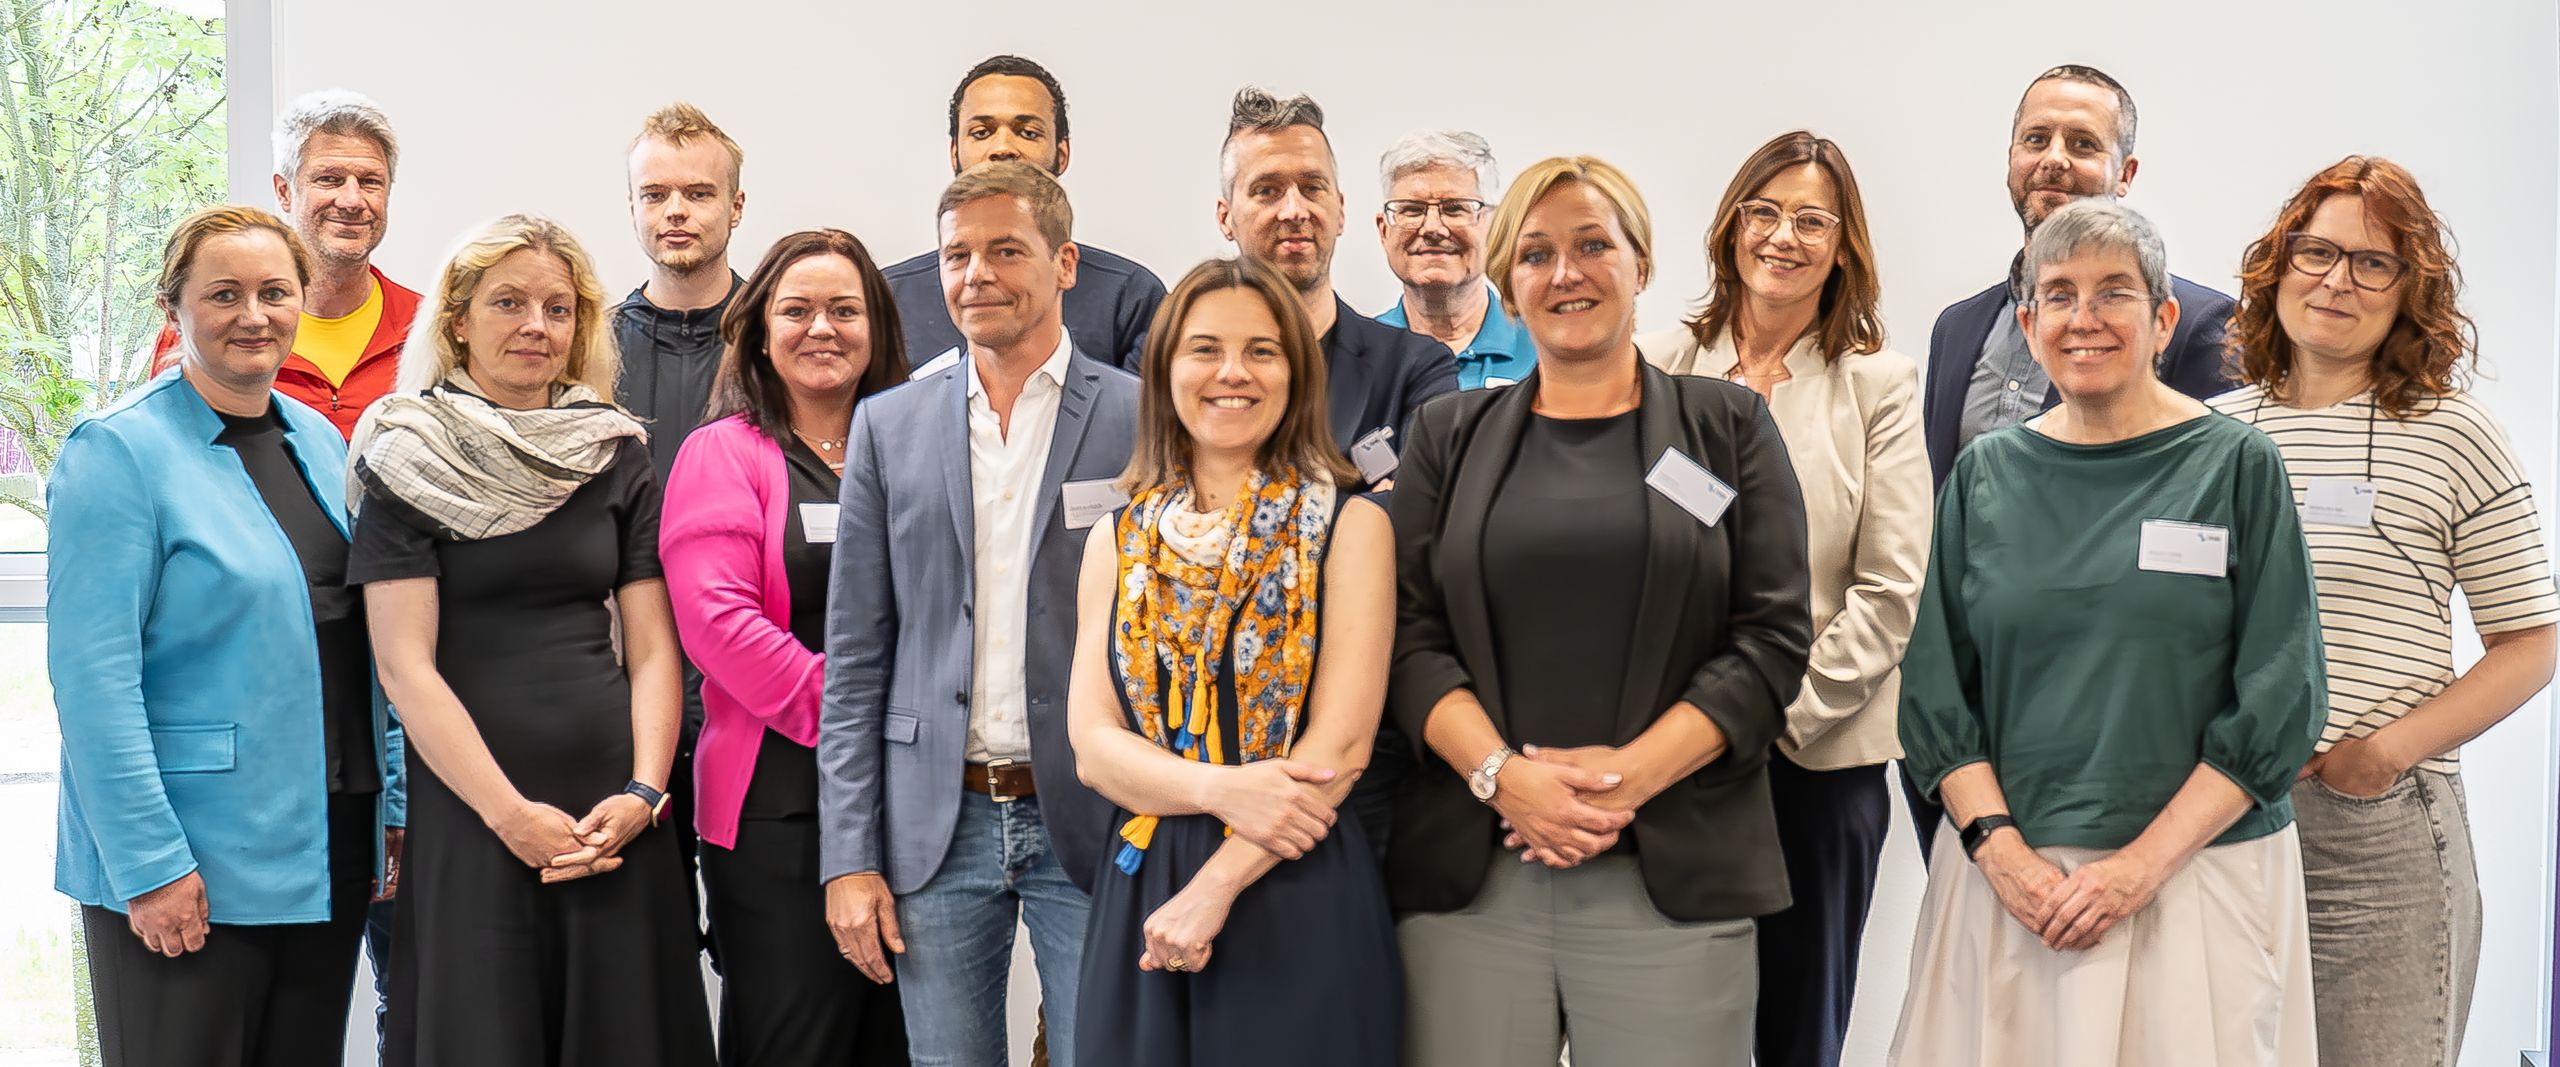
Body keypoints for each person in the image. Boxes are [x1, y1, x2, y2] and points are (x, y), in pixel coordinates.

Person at [1389, 155, 1813, 1066]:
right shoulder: (1446, 436)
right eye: (1536, 254)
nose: (1565, 273)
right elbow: (1409, 637)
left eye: (1592, 245)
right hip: (1474, 881)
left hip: (1672, 876)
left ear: (1641, 263)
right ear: (1507, 280)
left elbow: (1771, 641)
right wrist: (1504, 776)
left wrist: (1625, 781)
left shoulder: (1728, 429)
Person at [1893, 198, 2324, 1066]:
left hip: (2195, 879)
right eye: (2059, 294)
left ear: (2164, 320)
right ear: (2029, 324)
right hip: (2012, 891)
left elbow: (2282, 694)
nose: (2083, 318)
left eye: (2114, 292)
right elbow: (1937, 692)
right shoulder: (1984, 475)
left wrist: (2138, 868)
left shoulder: (2237, 464)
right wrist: (2001, 854)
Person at [2210, 156, 2558, 1067]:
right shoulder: (2210, 435)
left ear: (2412, 290)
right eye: (2317, 252)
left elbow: (2530, 642)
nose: (2336, 280)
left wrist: (2383, 755)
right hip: (2222, 822)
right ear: (2279, 263)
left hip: (2375, 834)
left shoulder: (2453, 433)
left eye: (2373, 263)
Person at [349, 214, 715, 1066]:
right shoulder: (408, 452)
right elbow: (404, 667)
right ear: (457, 321)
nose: (536, 326)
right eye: (508, 302)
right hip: (475, 810)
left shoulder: (614, 449)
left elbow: (654, 648)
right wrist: (508, 814)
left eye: (558, 308)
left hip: (615, 812)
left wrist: (646, 791)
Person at [50, 204, 402, 1067]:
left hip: (325, 840)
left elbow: (366, 640)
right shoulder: (116, 451)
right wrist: (150, 864)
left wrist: (390, 806)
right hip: (189, 856)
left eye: (275, 292)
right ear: (173, 307)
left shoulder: (317, 439)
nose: (255, 315)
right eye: (224, 294)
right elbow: (94, 685)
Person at [817, 161, 1137, 1067]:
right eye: (957, 254)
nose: (976, 275)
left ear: (1064, 263)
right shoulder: (888, 425)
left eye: (1006, 251)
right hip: (936, 822)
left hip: (1094, 816)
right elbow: (856, 656)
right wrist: (849, 855)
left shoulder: (1143, 415)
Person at [1637, 130, 1929, 1067]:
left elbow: (1890, 589)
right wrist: (1686, 727)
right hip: (1667, 754)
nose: (1782, 237)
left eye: (1812, 221)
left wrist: (1766, 716)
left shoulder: (1878, 384)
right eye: (1763, 212)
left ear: (1843, 247)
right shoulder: (1655, 364)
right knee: (1668, 1021)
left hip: (1816, 756)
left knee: (1800, 1025)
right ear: (1731, 227)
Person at [1066, 257, 1402, 1065]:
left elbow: (1340, 748)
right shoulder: (1117, 537)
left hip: (1291, 873)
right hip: (1143, 882)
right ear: (1164, 369)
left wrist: (1214, 887)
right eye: (1205, 349)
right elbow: (1093, 746)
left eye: (1261, 351)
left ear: (1297, 373)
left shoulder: (1351, 525)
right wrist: (1219, 789)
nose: (1232, 372)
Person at [1905, 62, 2241, 856]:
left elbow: (2220, 535)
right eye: (2036, 139)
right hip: (1969, 716)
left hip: (2117, 724)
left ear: (2125, 173)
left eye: (2083, 143)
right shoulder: (1959, 326)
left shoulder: (2196, 326)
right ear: (2011, 158)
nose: (2053, 158)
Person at [662, 229, 914, 1064]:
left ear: (878, 327)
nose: (822, 328)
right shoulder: (723, 453)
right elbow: (719, 624)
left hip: (915, 800)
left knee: (902, 1044)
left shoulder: (918, 448)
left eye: (845, 309)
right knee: (795, 1042)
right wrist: (861, 719)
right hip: (778, 810)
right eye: (797, 309)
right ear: (761, 330)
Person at [614, 99, 748, 945]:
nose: (676, 212)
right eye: (655, 194)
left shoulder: (781, 339)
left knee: (758, 945)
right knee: (643, 948)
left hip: (752, 688)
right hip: (626, 686)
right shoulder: (587, 348)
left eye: (698, 193)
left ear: (736, 205)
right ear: (630, 206)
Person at [1216, 87, 1458, 486]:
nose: (1294, 210)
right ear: (1225, 217)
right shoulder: (1185, 368)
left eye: (1312, 188)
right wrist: (1366, 502)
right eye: (1267, 191)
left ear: (1341, 210)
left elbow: (1426, 509)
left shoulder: (1415, 369)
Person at [148, 90, 421, 440]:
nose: (352, 200)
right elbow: (168, 448)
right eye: (329, 179)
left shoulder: (429, 326)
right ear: (284, 192)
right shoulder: (203, 330)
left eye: (370, 182)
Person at [888, 55, 1167, 374]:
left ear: (1062, 154)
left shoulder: (1130, 297)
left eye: (1028, 133)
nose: (1003, 148)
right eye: (981, 132)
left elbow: (1140, 406)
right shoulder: (891, 298)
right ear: (955, 153)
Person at [1372, 130, 1533, 389]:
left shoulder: (1543, 349)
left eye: (1455, 208)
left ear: (1494, 227)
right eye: (1412, 210)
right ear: (1384, 231)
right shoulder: (1355, 356)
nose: (1432, 228)